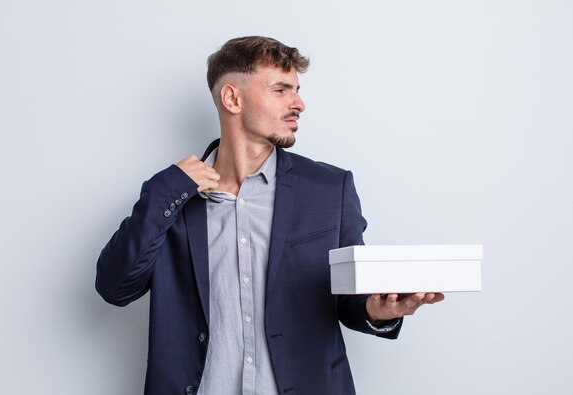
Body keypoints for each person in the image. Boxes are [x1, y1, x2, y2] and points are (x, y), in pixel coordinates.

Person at [96, 36, 444, 395]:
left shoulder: (329, 189)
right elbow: (115, 288)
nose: (299, 103)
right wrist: (166, 192)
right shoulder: (173, 197)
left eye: (296, 89)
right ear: (233, 98)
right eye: (281, 90)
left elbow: (349, 299)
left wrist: (377, 311)